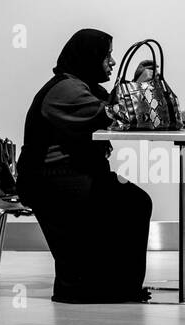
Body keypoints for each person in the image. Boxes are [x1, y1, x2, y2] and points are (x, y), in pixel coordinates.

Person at [16, 28, 152, 303]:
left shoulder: (79, 85)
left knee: (133, 201)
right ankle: (106, 286)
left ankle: (117, 284)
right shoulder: (66, 89)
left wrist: (135, 87)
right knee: (131, 203)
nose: (112, 62)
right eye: (107, 55)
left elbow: (107, 108)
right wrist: (139, 90)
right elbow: (107, 114)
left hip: (67, 174)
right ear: (90, 57)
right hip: (51, 178)